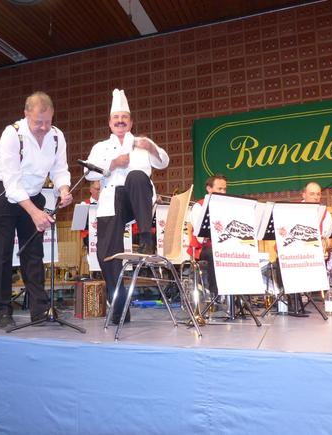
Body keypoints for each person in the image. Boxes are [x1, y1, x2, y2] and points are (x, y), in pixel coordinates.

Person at [0, 92, 72, 328]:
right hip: (2, 193)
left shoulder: (57, 136)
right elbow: (12, 184)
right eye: (38, 123)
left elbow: (60, 169)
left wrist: (63, 190)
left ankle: (39, 309)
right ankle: (2, 311)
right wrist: (35, 213)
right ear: (26, 114)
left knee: (34, 254)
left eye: (48, 122)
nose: (43, 128)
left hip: (33, 194)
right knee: (1, 254)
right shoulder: (12, 134)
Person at [85, 88, 169, 324]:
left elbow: (163, 162)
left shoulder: (142, 143)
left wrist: (151, 148)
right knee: (106, 255)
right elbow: (88, 173)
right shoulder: (100, 147)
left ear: (131, 122)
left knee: (137, 176)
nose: (120, 121)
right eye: (116, 118)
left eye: (124, 117)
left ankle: (146, 238)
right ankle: (120, 305)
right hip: (112, 201)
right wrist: (112, 164)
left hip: (138, 201)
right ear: (110, 123)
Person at [187, 174, 227, 296]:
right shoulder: (199, 206)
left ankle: (237, 296)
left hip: (220, 245)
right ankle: (216, 294)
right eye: (219, 189)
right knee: (215, 252)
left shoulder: (226, 206)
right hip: (202, 248)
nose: (223, 192)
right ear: (209, 189)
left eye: (224, 189)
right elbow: (200, 238)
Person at [80, 180, 100, 249]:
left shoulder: (106, 204)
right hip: (89, 236)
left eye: (100, 189)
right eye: (97, 189)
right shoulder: (84, 204)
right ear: (91, 190)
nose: (99, 191)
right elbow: (80, 225)